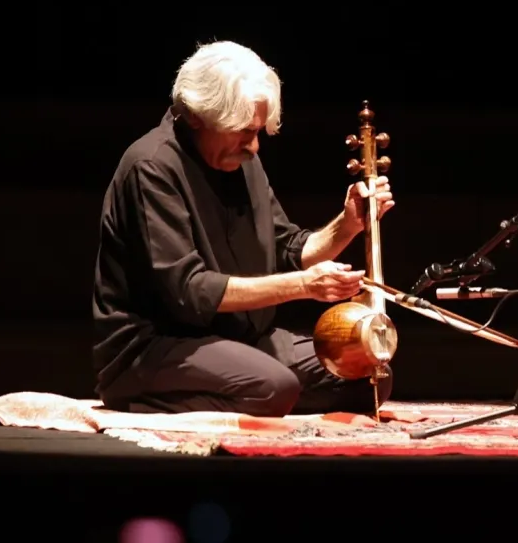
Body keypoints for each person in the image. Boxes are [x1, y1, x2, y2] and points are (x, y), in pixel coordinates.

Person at [92, 40, 395, 416]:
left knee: (368, 374)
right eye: (243, 131)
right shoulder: (151, 167)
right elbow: (189, 291)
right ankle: (138, 402)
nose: (254, 146)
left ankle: (252, 393)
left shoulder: (240, 159)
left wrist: (347, 226)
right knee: (273, 387)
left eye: (257, 132)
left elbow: (286, 249)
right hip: (155, 348)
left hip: (239, 339)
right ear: (197, 116)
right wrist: (304, 286)